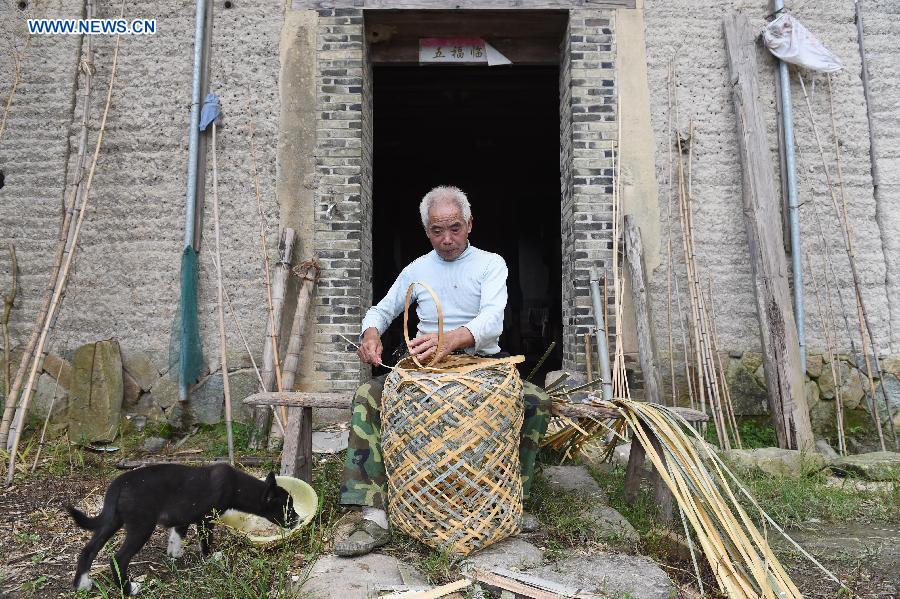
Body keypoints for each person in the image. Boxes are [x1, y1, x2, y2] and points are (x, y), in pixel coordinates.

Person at [333, 186, 551, 557]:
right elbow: (381, 312)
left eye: (454, 228)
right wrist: (370, 335)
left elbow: (492, 320)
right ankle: (372, 509)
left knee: (535, 400)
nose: (447, 239)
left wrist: (449, 340)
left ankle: (515, 497)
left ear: (469, 224)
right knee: (368, 396)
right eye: (437, 230)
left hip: (482, 364)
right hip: (424, 367)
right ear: (426, 230)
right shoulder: (417, 270)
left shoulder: (490, 264)